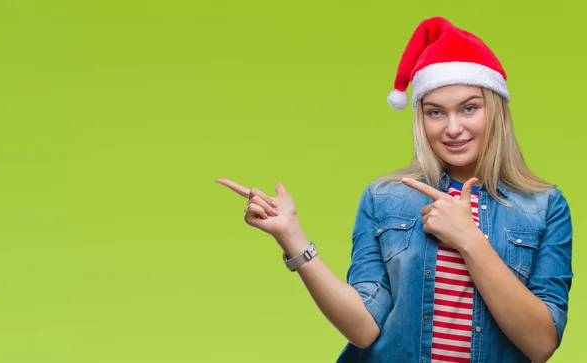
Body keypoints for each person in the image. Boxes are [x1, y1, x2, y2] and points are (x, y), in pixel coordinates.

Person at [216, 17, 573, 363]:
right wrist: (291, 236)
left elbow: (541, 344)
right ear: (420, 118)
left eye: (469, 108)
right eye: (435, 112)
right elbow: (363, 329)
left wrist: (468, 238)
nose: (452, 128)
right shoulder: (385, 198)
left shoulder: (544, 207)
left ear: (494, 110)